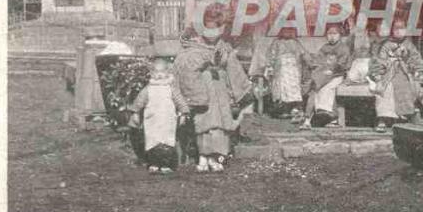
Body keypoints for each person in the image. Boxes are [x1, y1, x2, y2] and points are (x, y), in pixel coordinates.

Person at [173, 21, 252, 173]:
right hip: (201, 89)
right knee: (203, 123)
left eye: (216, 30)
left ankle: (215, 157)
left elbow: (234, 70)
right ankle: (203, 156)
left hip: (220, 87)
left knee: (220, 124)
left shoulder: (224, 47)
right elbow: (183, 67)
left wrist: (241, 92)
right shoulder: (190, 48)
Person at [127, 49, 190, 174]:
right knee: (152, 142)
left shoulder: (171, 89)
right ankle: (154, 163)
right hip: (152, 121)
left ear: (167, 72)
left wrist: (183, 114)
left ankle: (166, 164)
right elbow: (139, 101)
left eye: (162, 72)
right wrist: (135, 113)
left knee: (167, 142)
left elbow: (180, 102)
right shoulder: (148, 89)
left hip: (167, 121)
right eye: (156, 72)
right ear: (151, 73)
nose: (159, 75)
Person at [368, 18, 423, 132]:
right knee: (385, 89)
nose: (399, 31)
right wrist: (378, 75)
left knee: (412, 86)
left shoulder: (409, 45)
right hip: (389, 73)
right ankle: (383, 118)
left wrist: (419, 70)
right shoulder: (385, 45)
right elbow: (379, 61)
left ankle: (410, 113)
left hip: (405, 73)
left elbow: (416, 59)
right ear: (392, 30)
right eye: (396, 29)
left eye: (402, 28)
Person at [300, 25, 352, 129]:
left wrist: (332, 69)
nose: (332, 37)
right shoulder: (324, 48)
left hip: (337, 75)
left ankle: (333, 117)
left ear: (340, 36)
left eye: (335, 34)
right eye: (329, 34)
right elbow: (318, 61)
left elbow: (342, 64)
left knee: (327, 88)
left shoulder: (343, 48)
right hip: (324, 74)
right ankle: (307, 120)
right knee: (315, 89)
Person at [265, 27, 311, 121]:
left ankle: (295, 110)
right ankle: (284, 110)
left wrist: (310, 62)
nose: (287, 33)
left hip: (294, 69)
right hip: (281, 69)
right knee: (282, 90)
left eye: (289, 30)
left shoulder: (296, 43)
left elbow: (304, 54)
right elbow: (271, 56)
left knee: (294, 89)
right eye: (284, 30)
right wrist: (269, 66)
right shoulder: (276, 43)